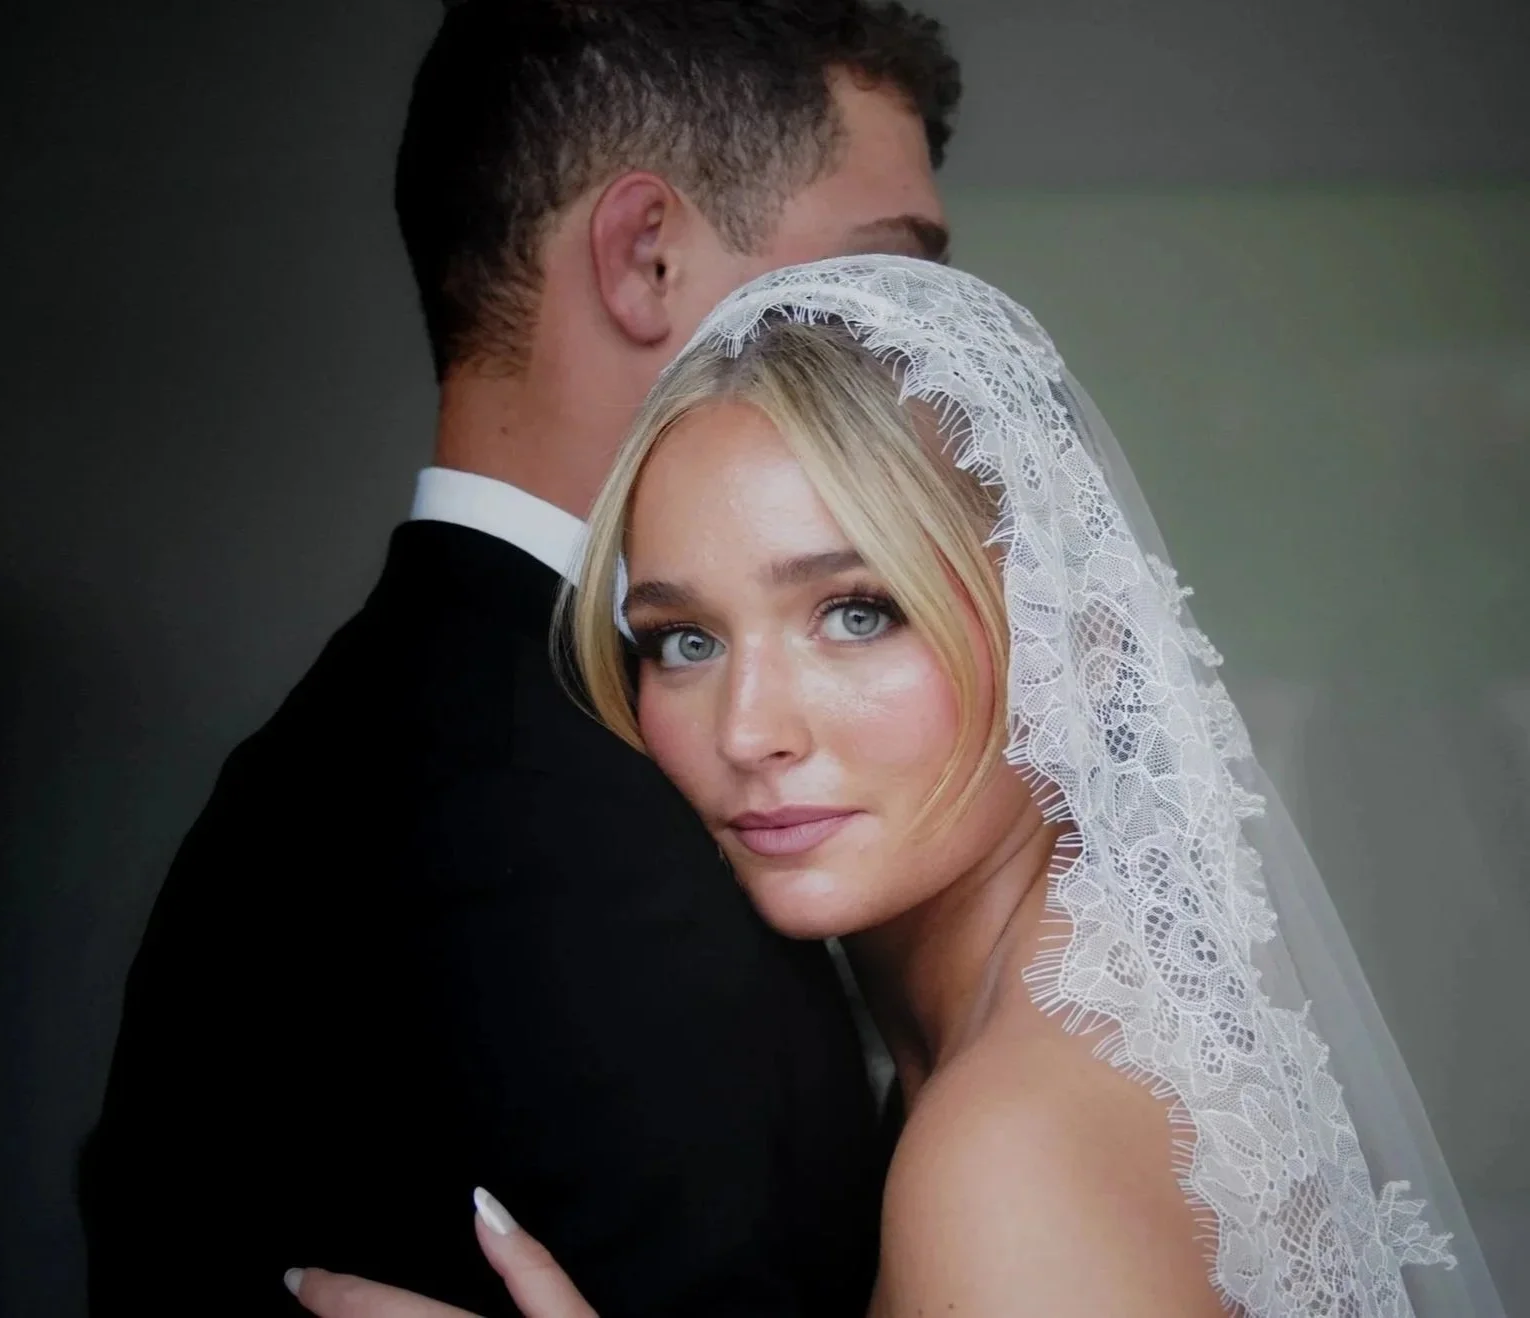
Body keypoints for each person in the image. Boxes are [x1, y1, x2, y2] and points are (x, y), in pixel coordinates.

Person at [288, 257, 1507, 1316]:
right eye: (682, 639)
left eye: (856, 613)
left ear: (1069, 632)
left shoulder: (1013, 1155)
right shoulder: (1028, 1048)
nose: (749, 728)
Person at [80, 4, 961, 1315]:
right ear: (644, 258)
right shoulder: (547, 826)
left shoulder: (380, 737)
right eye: (881, 277)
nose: (921, 351)